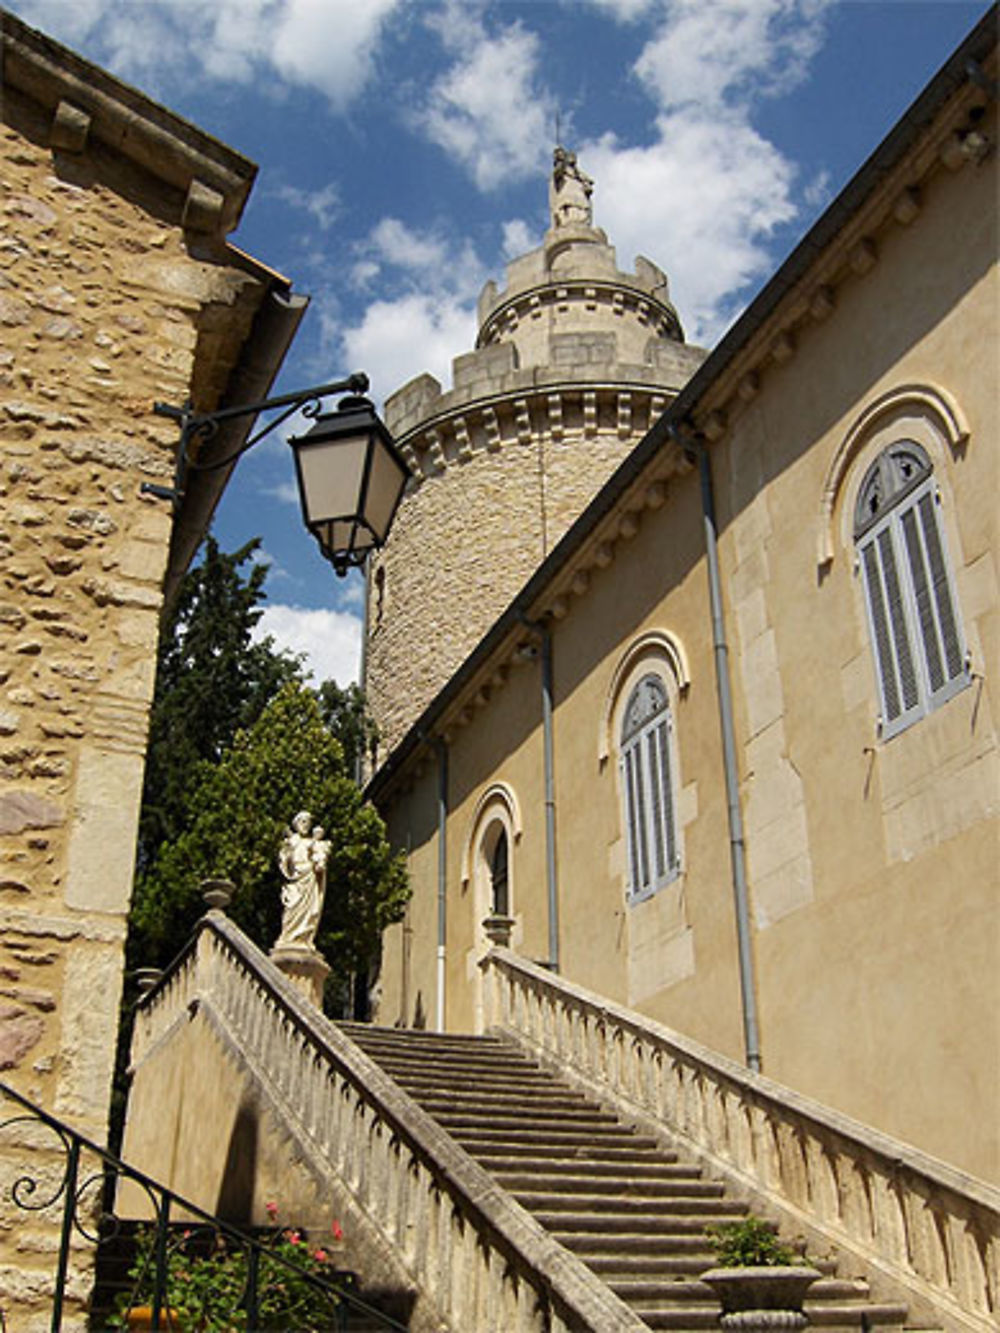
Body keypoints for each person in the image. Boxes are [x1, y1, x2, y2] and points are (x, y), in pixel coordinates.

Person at [275, 810, 322, 950]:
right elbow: (285, 861)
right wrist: (288, 849)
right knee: (291, 909)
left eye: (308, 822)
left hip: (309, 877)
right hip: (295, 881)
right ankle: (288, 937)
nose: (306, 825)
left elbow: (319, 860)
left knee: (309, 911)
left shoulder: (312, 842)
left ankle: (303, 938)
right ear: (296, 824)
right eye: (303, 821)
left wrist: (315, 842)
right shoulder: (291, 841)